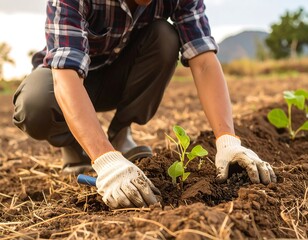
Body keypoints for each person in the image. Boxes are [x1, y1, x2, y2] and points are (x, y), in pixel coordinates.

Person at [12, 0, 277, 209]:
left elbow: (204, 61)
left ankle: (121, 134)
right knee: (34, 104)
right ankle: (75, 144)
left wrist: (227, 140)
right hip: (69, 81)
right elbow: (66, 78)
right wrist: (105, 161)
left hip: (120, 76)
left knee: (165, 37)